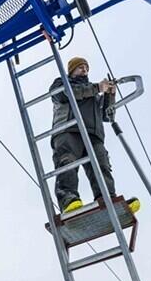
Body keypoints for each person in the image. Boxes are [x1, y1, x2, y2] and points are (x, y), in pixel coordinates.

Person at [49, 56, 137, 213]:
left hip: (93, 134)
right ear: (71, 70)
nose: (84, 69)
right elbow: (65, 94)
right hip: (69, 130)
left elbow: (107, 115)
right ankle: (68, 200)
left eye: (86, 67)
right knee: (67, 162)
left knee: (102, 165)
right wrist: (97, 88)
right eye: (80, 67)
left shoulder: (93, 93)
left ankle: (107, 199)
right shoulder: (62, 83)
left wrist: (110, 95)